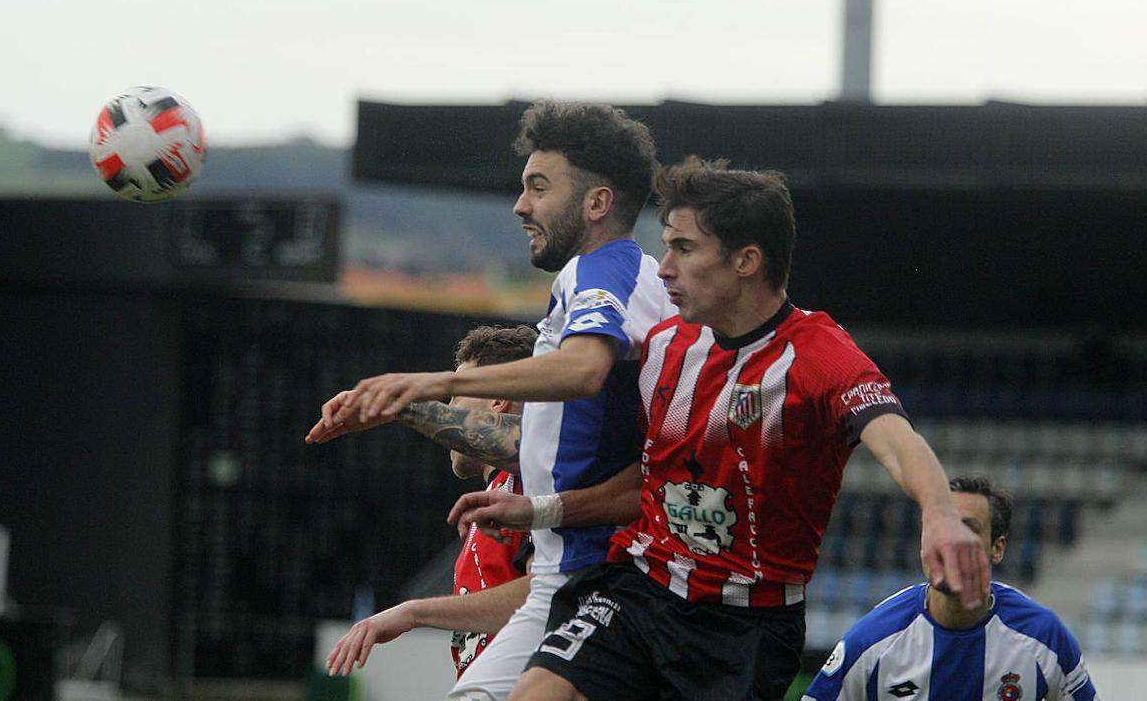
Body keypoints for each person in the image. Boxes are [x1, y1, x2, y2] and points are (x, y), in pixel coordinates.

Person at [454, 156, 990, 701]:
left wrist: (940, 513)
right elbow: (644, 484)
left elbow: (897, 441)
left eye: (683, 249)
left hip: (745, 632)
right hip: (641, 590)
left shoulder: (819, 356)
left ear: (746, 261)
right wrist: (538, 509)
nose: (664, 268)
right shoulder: (665, 347)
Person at [308, 101, 673, 700]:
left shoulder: (600, 273)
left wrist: (428, 385)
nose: (520, 205)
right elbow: (545, 441)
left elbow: (582, 371)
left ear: (597, 203)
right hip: (567, 579)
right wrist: (407, 406)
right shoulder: (638, 281)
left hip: (601, 578)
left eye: (538, 187)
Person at [323, 324, 537, 679]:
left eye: (455, 395)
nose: (447, 408)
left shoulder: (535, 480)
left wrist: (413, 613)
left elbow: (546, 595)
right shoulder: (499, 493)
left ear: (498, 399)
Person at [802, 475, 1099, 701]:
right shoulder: (872, 641)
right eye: (936, 527)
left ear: (997, 548)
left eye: (966, 529)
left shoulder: (1043, 638)